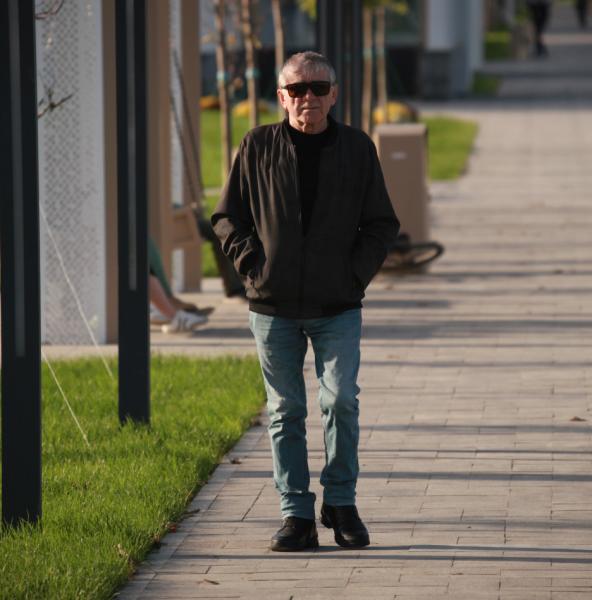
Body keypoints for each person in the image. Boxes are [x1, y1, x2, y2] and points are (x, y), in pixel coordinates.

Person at [212, 51, 399, 551]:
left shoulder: (356, 148)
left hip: (337, 305)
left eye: (318, 88)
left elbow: (382, 223)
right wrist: (254, 266)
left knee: (341, 401)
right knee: (285, 411)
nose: (307, 98)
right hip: (272, 307)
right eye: (297, 89)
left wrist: (353, 276)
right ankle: (296, 514)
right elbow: (227, 217)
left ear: (334, 94)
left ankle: (341, 503)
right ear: (281, 96)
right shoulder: (257, 145)